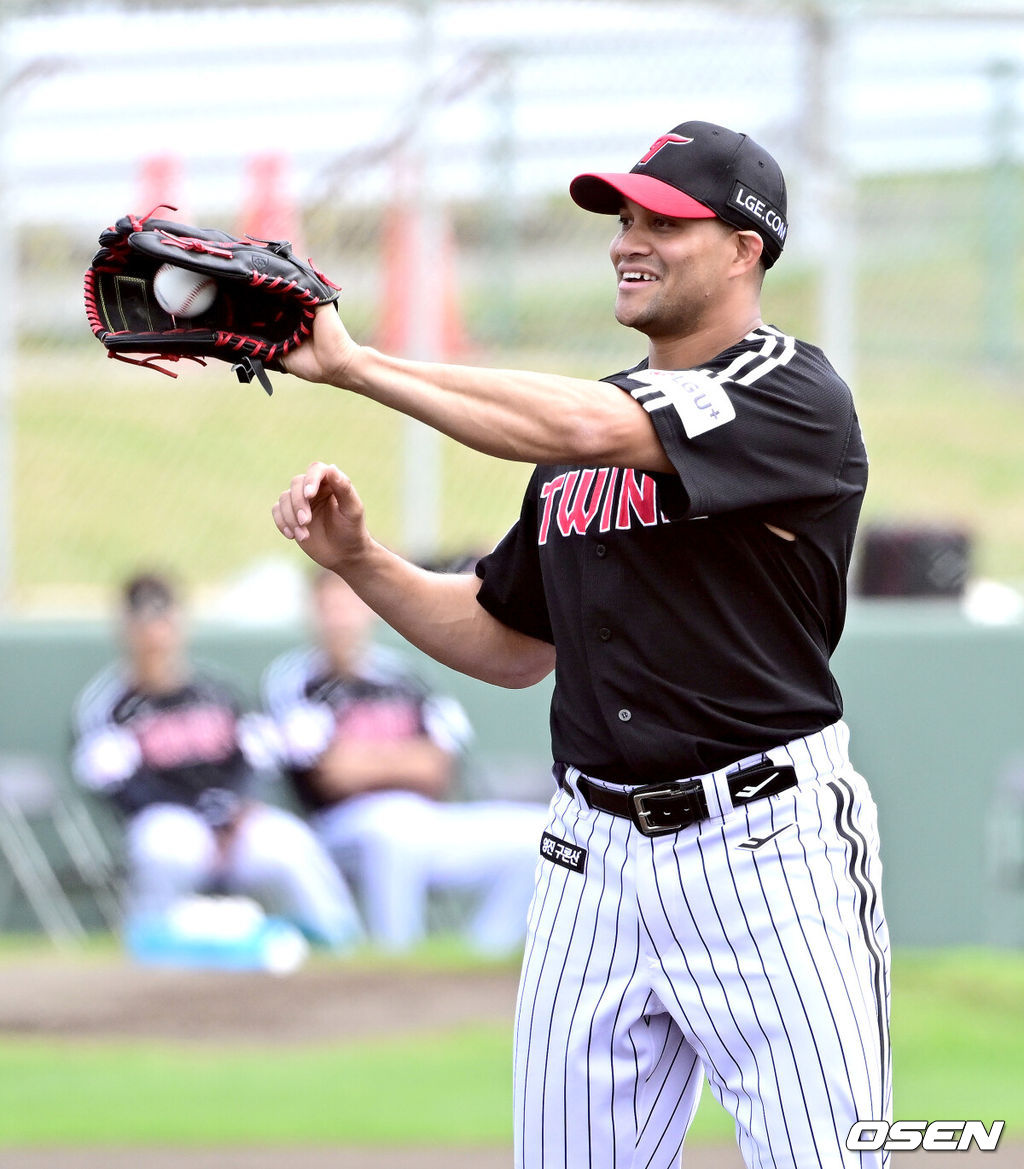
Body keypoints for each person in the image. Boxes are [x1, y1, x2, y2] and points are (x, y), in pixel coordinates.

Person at [271, 120, 890, 1169]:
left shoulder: (790, 392)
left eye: (664, 219)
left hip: (765, 850)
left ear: (748, 247)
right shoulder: (580, 435)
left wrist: (357, 365)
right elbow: (509, 641)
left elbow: (595, 427)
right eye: (622, 216)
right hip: (587, 855)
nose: (626, 237)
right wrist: (362, 561)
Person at [70, 571, 362, 951]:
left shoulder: (218, 692)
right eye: (144, 622)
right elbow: (119, 788)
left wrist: (235, 814)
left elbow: (253, 760)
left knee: (289, 841)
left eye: (164, 619)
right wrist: (203, 817)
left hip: (235, 824)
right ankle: (146, 953)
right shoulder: (108, 706)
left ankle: (344, 948)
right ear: (126, 629)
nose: (155, 634)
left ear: (179, 623)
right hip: (168, 821)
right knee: (167, 846)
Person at [261, 568, 548, 955]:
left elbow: (438, 767)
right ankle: (396, 964)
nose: (341, 617)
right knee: (394, 830)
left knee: (536, 835)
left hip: (424, 819)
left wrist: (364, 758)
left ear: (370, 610)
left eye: (350, 604)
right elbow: (332, 775)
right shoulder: (296, 678)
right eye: (330, 606)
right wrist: (402, 758)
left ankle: (475, 958)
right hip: (344, 827)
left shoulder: (402, 676)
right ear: (313, 613)